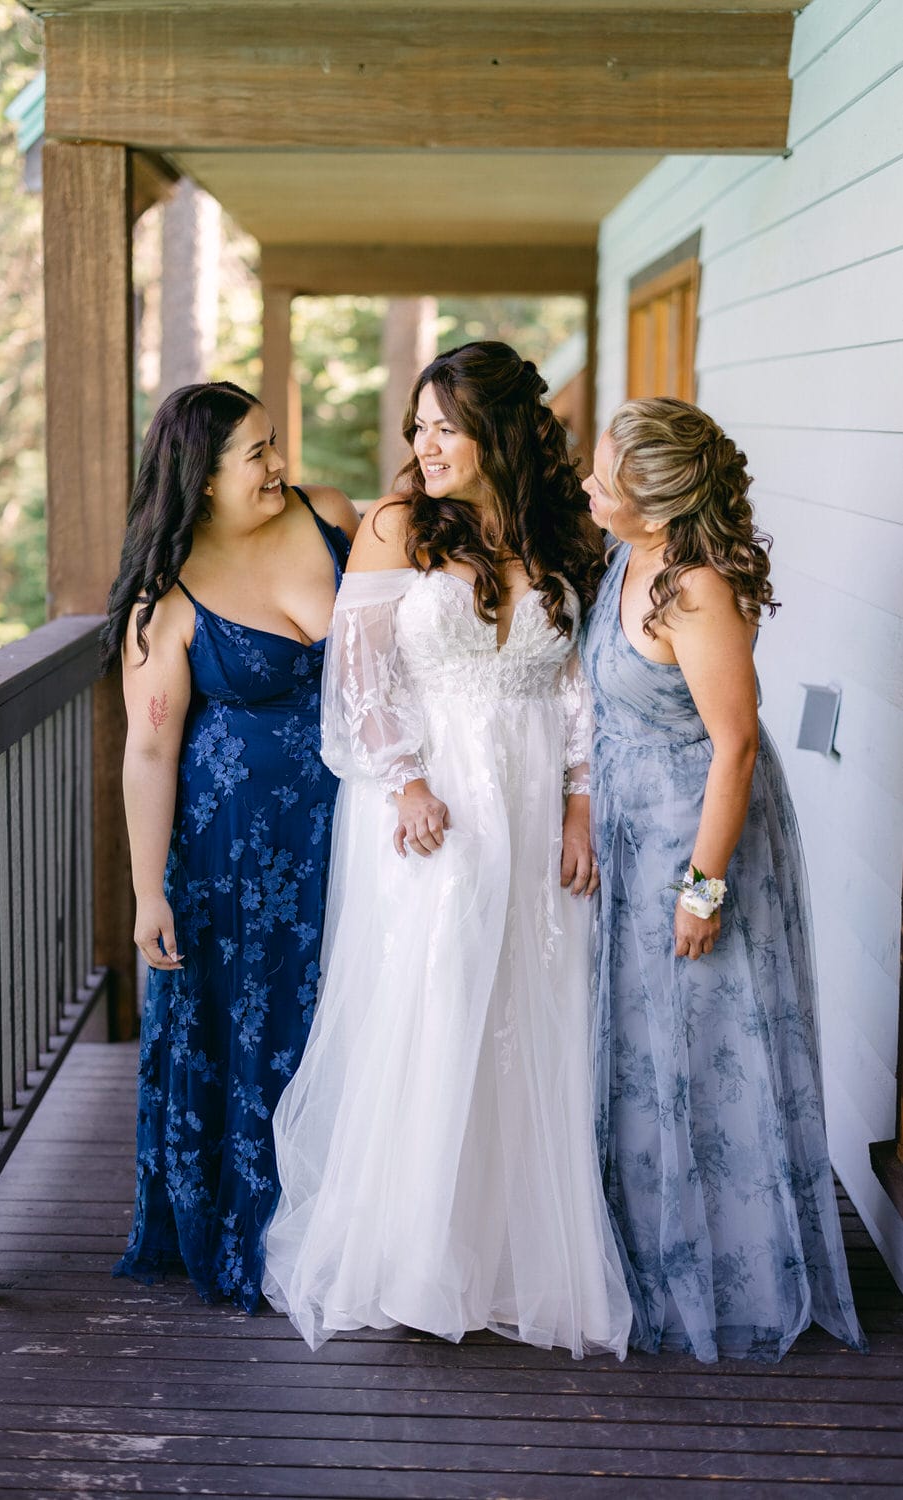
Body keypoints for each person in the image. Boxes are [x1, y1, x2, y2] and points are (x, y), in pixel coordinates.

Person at [262, 342, 632, 1355]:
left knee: (525, 1001)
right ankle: (412, 1254)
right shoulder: (395, 528)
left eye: (442, 427)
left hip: (527, 796)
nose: (422, 445)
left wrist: (577, 804)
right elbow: (357, 674)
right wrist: (406, 780)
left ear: (497, 432)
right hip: (430, 802)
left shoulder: (559, 533)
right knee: (438, 992)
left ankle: (507, 1257)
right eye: (415, 427)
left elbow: (572, 686)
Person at [579, 396, 865, 1363]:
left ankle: (724, 1277)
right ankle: (641, 1257)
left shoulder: (695, 589)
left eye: (602, 468)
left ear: (650, 506)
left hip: (691, 839)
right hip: (623, 833)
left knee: (700, 1050)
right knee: (638, 1056)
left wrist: (701, 890)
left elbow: (734, 745)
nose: (587, 476)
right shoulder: (628, 559)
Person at [99, 381, 358, 1309]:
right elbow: (150, 749)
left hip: (353, 832)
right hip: (232, 857)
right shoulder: (162, 600)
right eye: (256, 453)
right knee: (250, 1021)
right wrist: (147, 894)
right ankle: (256, 1224)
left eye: (275, 443)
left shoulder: (328, 518)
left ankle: (350, 1227)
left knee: (345, 1010)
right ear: (200, 479)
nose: (279, 465)